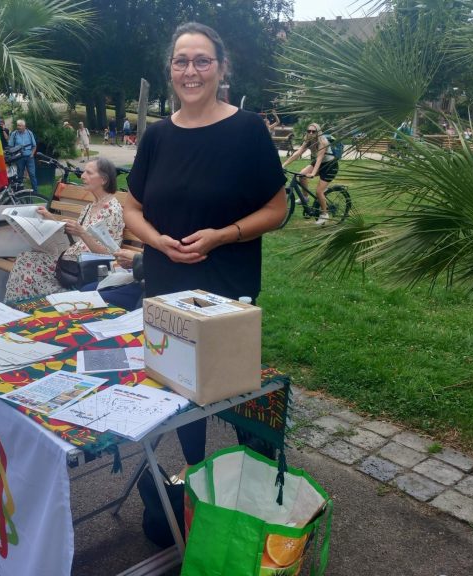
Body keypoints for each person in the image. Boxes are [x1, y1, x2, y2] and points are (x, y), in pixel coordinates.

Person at [124, 22, 287, 468]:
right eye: (181, 61)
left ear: (219, 68)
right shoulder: (157, 136)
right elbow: (131, 207)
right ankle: (188, 477)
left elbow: (277, 209)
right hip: (166, 285)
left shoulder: (247, 130)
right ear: (170, 70)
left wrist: (224, 234)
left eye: (201, 61)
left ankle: (250, 480)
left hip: (225, 289)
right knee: (175, 389)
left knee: (234, 393)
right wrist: (155, 239)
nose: (190, 71)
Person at [4, 157, 124, 302]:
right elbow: (75, 237)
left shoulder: (112, 210)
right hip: (68, 260)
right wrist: (50, 218)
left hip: (82, 267)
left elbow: (109, 254)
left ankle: (19, 308)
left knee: (27, 265)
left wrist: (81, 232)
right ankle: (21, 308)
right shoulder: (90, 207)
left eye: (89, 173)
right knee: (26, 258)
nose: (82, 176)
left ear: (103, 180)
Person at [282, 122, 338, 225]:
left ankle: (324, 214)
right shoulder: (308, 140)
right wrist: (284, 165)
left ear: (318, 132)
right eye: (309, 131)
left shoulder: (323, 142)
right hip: (319, 163)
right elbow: (298, 153)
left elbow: (320, 159)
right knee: (301, 175)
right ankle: (305, 197)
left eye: (313, 131)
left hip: (330, 166)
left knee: (319, 191)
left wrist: (313, 173)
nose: (311, 133)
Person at [7, 119, 39, 192]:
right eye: (17, 125)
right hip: (19, 158)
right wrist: (15, 155)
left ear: (24, 126)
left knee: (32, 174)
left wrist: (32, 154)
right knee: (20, 175)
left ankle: (36, 192)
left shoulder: (29, 133)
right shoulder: (14, 134)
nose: (18, 127)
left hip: (29, 157)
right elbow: (10, 146)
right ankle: (19, 192)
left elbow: (34, 146)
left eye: (20, 126)